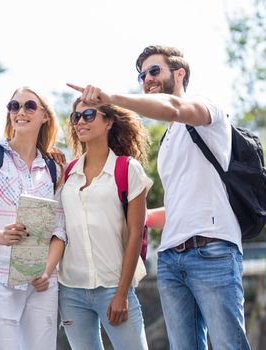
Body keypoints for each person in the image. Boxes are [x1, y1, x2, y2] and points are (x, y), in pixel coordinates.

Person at [68, 45, 251, 349]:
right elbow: (178, 207)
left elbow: (174, 108)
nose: (147, 78)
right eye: (142, 75)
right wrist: (131, 213)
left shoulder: (206, 111)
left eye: (155, 70)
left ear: (179, 73)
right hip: (170, 259)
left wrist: (110, 98)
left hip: (212, 250)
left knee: (228, 345)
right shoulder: (168, 142)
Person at [0, 87, 66, 350]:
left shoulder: (53, 168)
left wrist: (47, 271)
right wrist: (0, 236)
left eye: (29, 106)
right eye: (14, 106)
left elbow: (59, 230)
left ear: (44, 115)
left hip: (41, 282)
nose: (20, 112)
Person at [58, 97, 152, 350]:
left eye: (89, 115)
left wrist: (122, 294)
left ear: (109, 121)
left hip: (114, 287)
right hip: (70, 291)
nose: (80, 121)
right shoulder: (66, 172)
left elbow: (135, 234)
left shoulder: (127, 169)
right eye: (76, 116)